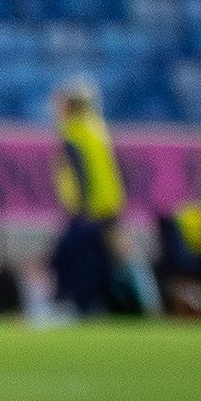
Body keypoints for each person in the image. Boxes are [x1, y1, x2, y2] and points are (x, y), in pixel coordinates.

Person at [48, 79, 129, 321]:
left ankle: (77, 305)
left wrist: (82, 209)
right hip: (107, 206)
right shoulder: (96, 127)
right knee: (98, 259)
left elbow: (81, 172)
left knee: (69, 256)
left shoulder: (74, 132)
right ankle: (98, 305)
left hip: (89, 210)